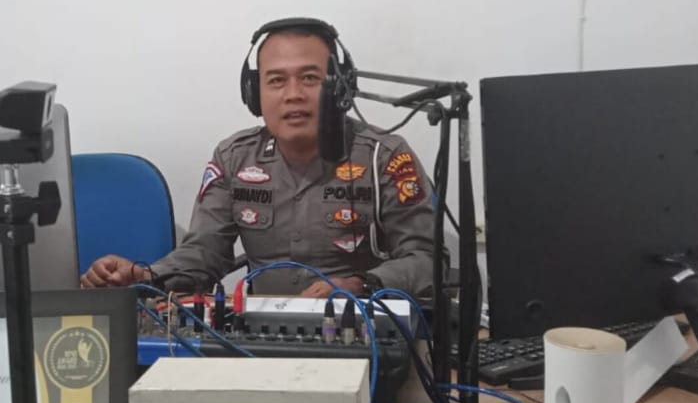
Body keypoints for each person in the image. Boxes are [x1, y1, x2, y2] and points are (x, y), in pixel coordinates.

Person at [80, 17, 436, 297]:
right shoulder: (234, 158)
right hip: (259, 343)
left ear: (340, 87)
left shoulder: (384, 157)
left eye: (310, 78)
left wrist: (362, 285)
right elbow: (205, 252)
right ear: (254, 93)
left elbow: (428, 260)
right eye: (276, 81)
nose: (293, 94)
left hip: (366, 329)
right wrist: (144, 275)